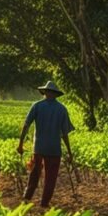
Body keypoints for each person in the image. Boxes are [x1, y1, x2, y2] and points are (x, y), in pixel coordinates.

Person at [17, 80, 75, 208]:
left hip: (38, 147)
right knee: (51, 177)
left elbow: (26, 125)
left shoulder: (37, 106)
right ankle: (44, 203)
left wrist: (20, 144)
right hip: (54, 149)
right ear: (55, 94)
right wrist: (69, 152)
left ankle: (27, 198)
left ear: (46, 92)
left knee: (35, 173)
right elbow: (65, 133)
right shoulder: (61, 109)